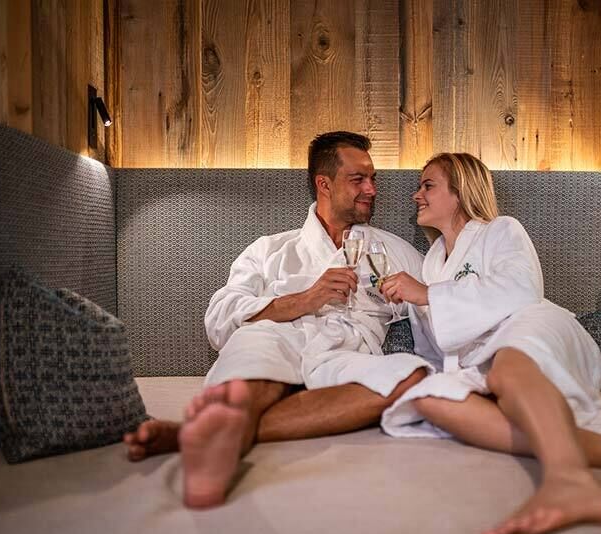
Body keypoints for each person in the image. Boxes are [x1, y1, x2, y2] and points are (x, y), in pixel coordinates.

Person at [378, 152, 601, 534]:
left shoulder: (501, 230)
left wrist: (429, 295)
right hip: (481, 359)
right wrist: (421, 298)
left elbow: (522, 290)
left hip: (532, 327)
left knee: (505, 367)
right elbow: (438, 348)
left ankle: (569, 481)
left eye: (427, 185)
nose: (417, 195)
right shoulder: (432, 263)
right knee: (430, 401)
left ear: (460, 191)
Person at [124, 132, 431, 508]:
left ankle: (207, 431)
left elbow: (437, 310)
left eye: (373, 179)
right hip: (278, 338)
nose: (371, 189)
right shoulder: (270, 250)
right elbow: (219, 319)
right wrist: (305, 299)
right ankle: (223, 439)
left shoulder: (394, 251)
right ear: (324, 183)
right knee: (256, 350)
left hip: (349, 354)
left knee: (411, 375)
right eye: (358, 179)